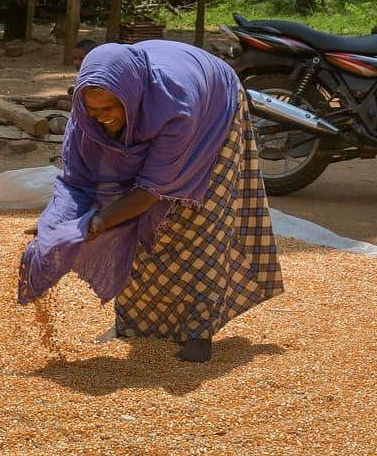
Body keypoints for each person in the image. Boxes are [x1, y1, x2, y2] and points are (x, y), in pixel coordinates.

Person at [17, 40, 284, 362]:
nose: (101, 118)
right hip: (168, 108)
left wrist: (98, 221)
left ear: (131, 98)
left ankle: (199, 331)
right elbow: (76, 181)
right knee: (135, 231)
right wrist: (55, 225)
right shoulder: (85, 118)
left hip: (212, 109)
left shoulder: (175, 109)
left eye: (110, 110)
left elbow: (151, 189)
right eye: (94, 111)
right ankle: (132, 325)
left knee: (199, 226)